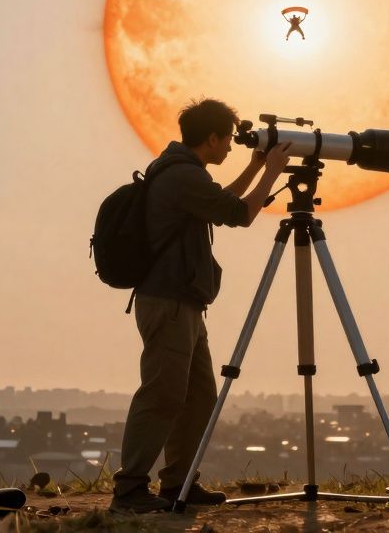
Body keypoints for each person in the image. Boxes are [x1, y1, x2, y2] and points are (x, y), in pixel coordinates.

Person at [110, 98, 293, 514]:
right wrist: (271, 172)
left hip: (183, 301)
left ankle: (179, 483)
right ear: (211, 138)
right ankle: (129, 488)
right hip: (169, 301)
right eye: (227, 140)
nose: (230, 146)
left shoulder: (181, 171)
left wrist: (254, 167)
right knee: (162, 394)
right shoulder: (182, 175)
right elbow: (240, 214)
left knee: (198, 398)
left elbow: (218, 204)